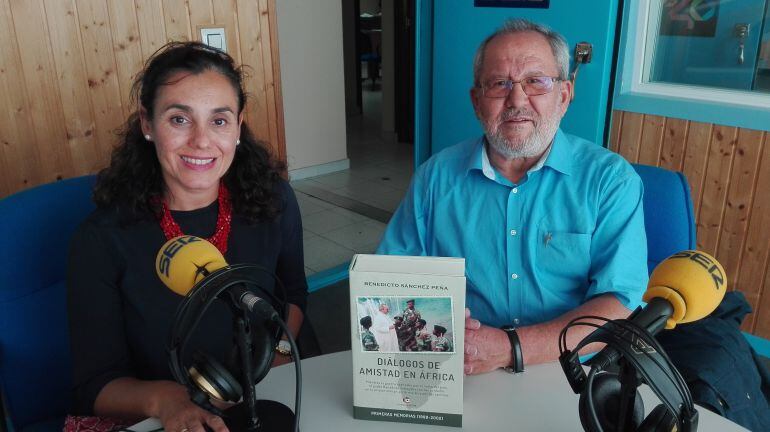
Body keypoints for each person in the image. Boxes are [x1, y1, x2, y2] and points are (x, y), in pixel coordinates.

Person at [377, 19, 647, 374]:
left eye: (536, 81)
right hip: (464, 363)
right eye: (499, 84)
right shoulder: (435, 178)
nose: (516, 100)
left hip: (572, 371)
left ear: (564, 95)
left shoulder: (610, 180)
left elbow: (619, 307)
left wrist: (510, 348)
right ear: (477, 101)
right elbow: (392, 279)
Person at [67, 42, 308, 432]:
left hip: (263, 400)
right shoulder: (101, 240)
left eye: (219, 120)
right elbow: (95, 385)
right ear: (147, 124)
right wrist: (167, 400)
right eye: (179, 119)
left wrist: (277, 353)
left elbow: (293, 294)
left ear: (238, 126)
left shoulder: (274, 200)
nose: (201, 141)